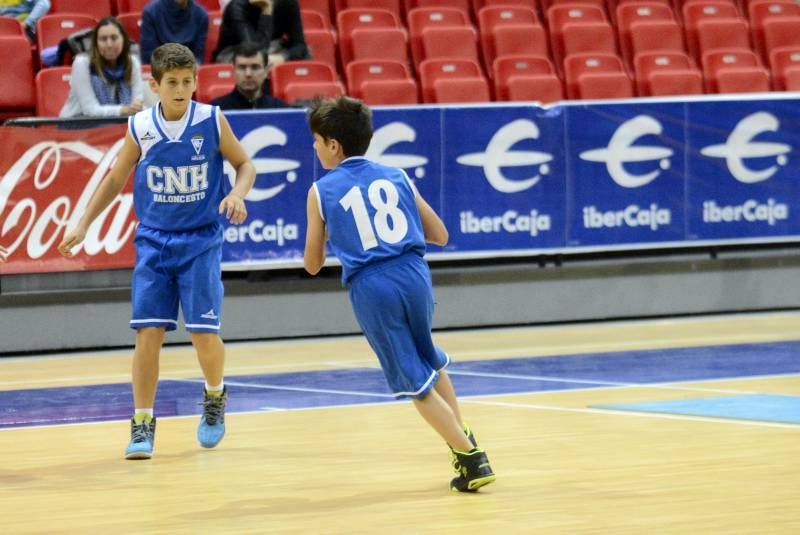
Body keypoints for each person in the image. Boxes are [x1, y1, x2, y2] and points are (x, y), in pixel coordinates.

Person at [58, 43, 256, 460]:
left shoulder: (211, 120)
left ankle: (215, 395)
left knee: (204, 335)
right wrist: (82, 223)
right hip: (154, 242)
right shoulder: (142, 127)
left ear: (196, 82)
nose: (181, 89)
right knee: (148, 335)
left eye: (188, 82)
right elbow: (113, 181)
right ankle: (143, 423)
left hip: (201, 241)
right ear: (155, 85)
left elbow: (246, 165)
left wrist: (238, 194)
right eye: (173, 83)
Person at [302, 96, 496, 493]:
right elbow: (440, 234)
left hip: (373, 285)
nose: (314, 147)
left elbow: (312, 263)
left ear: (334, 145)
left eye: (317, 141)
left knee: (412, 382)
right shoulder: (397, 175)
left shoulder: (321, 191)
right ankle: (462, 445)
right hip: (415, 273)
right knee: (429, 359)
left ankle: (473, 458)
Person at [60, 17, 144, 119]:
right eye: (103, 39)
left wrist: (136, 106)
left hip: (118, 122)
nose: (109, 44)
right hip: (77, 123)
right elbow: (89, 110)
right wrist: (123, 110)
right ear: (96, 43)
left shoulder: (132, 62)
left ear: (124, 40)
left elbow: (138, 101)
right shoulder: (82, 63)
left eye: (114, 38)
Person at [213, 0, 309, 65]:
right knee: (255, 63)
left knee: (306, 52)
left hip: (271, 49)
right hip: (234, 53)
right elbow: (253, 51)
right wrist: (266, 10)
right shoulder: (237, 6)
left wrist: (282, 57)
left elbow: (300, 44)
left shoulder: (288, 3)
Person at [210, 41, 289, 110]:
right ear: (233, 72)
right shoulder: (215, 111)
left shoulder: (280, 110)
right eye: (242, 67)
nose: (248, 74)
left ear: (266, 72)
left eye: (255, 67)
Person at [140, 0, 209, 65]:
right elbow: (149, 57)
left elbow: (198, 57)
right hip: (159, 70)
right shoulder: (151, 12)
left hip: (188, 70)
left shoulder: (201, 15)